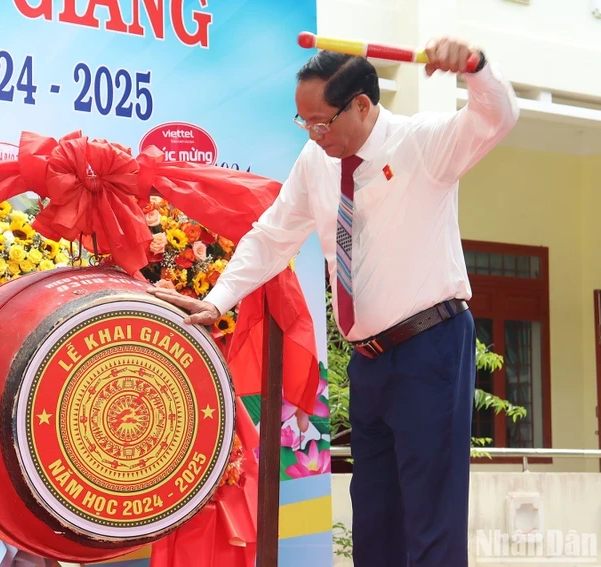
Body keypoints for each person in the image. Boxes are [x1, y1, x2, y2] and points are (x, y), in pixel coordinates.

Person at [148, 37, 519, 566]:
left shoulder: (422, 143)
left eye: (322, 122)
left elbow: (497, 118)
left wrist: (477, 68)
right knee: (372, 515)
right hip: (368, 361)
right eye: (304, 123)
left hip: (429, 347)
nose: (315, 135)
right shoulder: (316, 161)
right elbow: (274, 235)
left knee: (430, 520)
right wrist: (218, 300)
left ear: (362, 105)